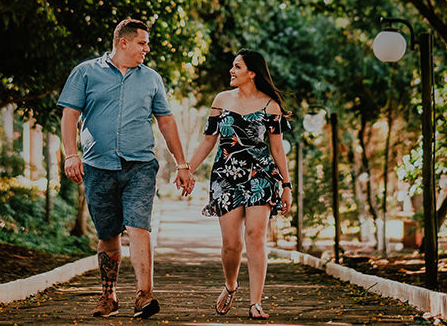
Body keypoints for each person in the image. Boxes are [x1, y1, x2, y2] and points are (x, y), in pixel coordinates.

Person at [59, 19, 193, 319]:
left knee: (139, 226)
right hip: (97, 166)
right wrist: (71, 155)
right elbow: (70, 115)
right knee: (107, 234)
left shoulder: (151, 79)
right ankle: (108, 296)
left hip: (140, 166)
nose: (147, 49)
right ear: (124, 43)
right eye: (142, 43)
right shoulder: (85, 73)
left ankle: (144, 296)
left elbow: (166, 121)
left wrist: (182, 164)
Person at [185, 49, 292, 320]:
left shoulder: (271, 106)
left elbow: (277, 149)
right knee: (231, 245)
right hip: (226, 177)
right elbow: (209, 140)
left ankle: (256, 302)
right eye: (233, 67)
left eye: (237, 67)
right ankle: (231, 286)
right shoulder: (221, 100)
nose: (231, 71)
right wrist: (187, 168)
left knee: (255, 236)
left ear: (252, 73)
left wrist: (287, 185)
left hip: (260, 176)